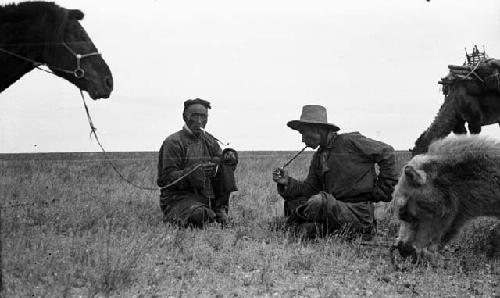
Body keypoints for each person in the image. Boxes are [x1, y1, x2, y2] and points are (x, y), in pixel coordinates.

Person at [272, 105, 398, 238]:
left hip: (358, 212)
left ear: (317, 129)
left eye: (304, 132)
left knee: (320, 202)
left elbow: (387, 152)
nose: (303, 139)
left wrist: (383, 189)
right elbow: (310, 189)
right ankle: (314, 228)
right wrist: (287, 182)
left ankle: (292, 224)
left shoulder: (350, 141)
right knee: (296, 203)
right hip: (333, 210)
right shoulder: (319, 156)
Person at [157, 98, 238, 227]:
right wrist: (193, 173)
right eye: (194, 116)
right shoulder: (173, 142)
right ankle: (209, 216)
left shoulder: (209, 140)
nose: (199, 121)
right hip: (178, 199)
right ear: (184, 117)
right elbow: (164, 180)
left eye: (203, 116)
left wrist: (228, 157)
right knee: (201, 216)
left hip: (205, 198)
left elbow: (221, 163)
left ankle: (220, 209)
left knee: (226, 162)